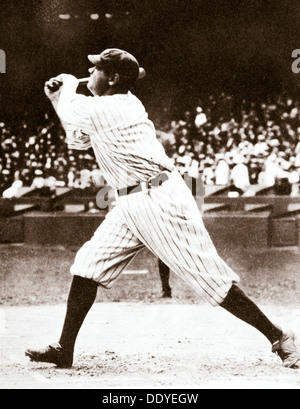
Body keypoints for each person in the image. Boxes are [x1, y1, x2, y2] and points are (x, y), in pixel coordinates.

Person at [26, 48, 300, 369]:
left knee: (209, 278)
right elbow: (78, 139)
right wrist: (58, 99)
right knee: (87, 266)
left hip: (159, 199)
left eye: (98, 69)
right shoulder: (107, 106)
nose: (93, 74)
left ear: (113, 79)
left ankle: (279, 336)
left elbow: (75, 115)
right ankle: (64, 348)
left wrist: (68, 87)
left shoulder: (114, 106)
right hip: (130, 201)